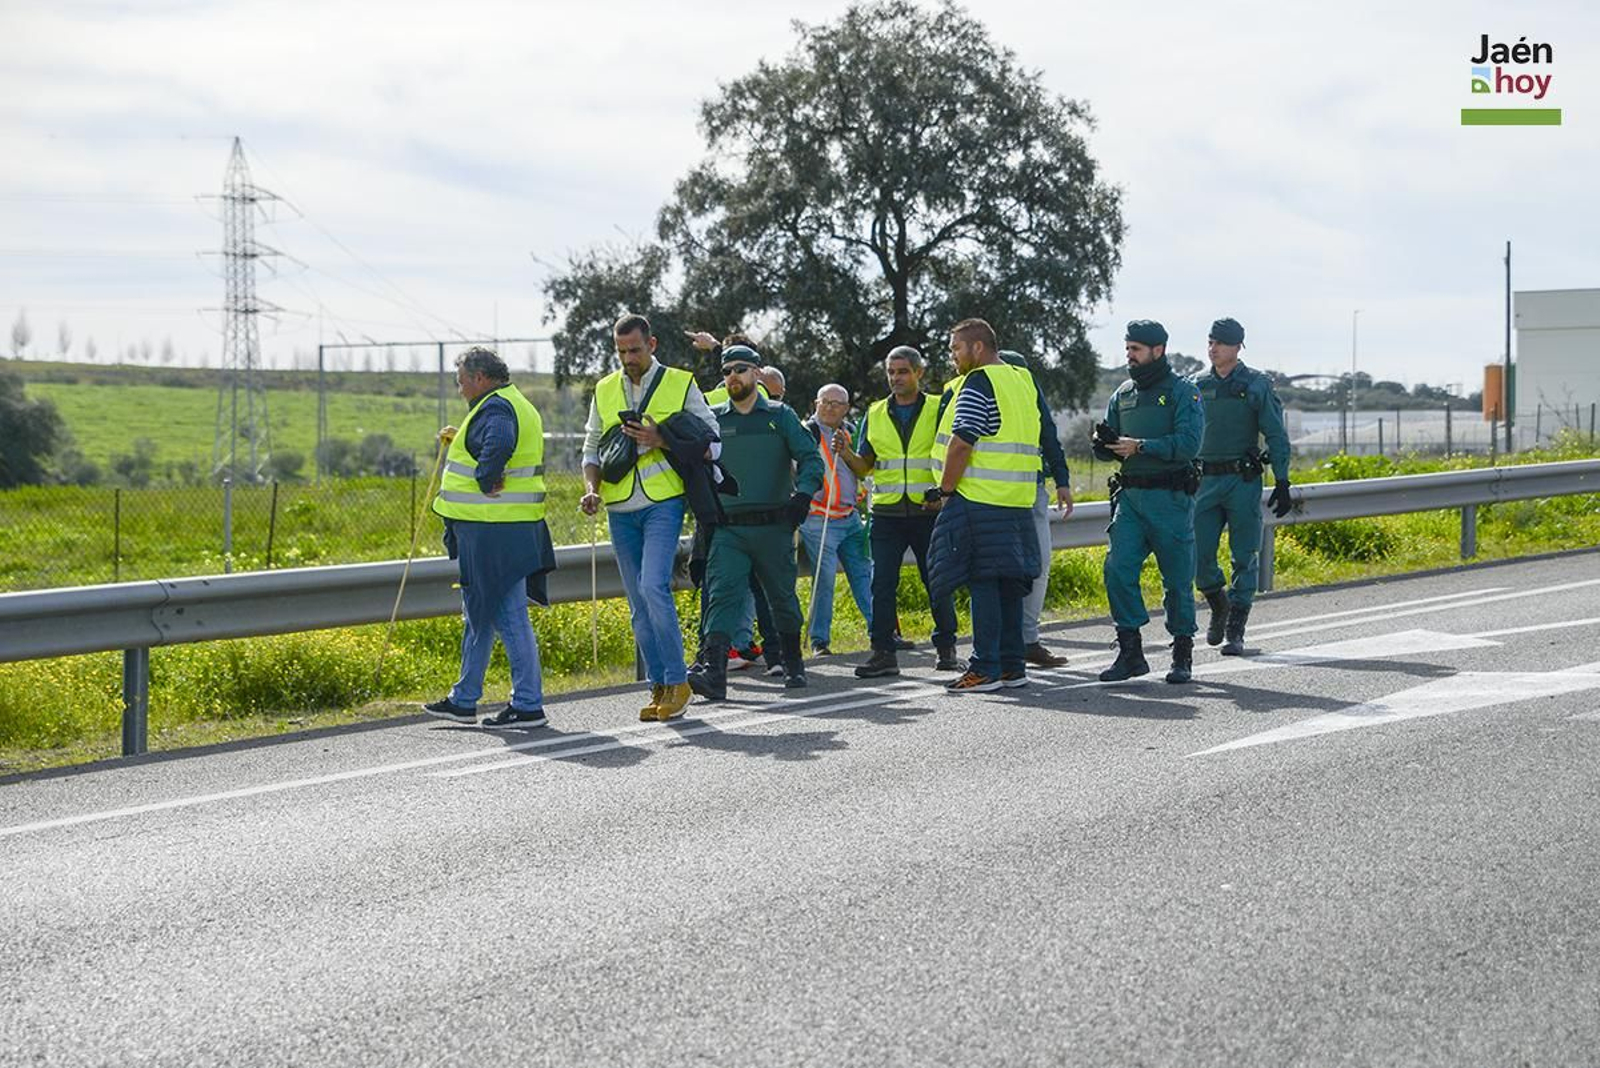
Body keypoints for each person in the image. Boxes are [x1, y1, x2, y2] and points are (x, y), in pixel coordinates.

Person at [580, 313, 718, 722]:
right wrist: (592, 489)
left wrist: (663, 438)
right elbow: (591, 446)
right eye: (621, 352)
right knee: (638, 601)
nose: (628, 358)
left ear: (652, 345)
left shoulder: (680, 382)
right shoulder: (604, 389)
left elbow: (713, 439)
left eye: (635, 350)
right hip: (620, 507)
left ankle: (679, 680)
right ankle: (657, 685)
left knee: (653, 586)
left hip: (664, 501)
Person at [422, 347, 555, 729]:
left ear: (480, 378)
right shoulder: (510, 402)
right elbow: (489, 441)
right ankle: (464, 699)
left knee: (508, 616)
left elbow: (498, 441)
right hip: (503, 528)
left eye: (461, 380)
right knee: (479, 614)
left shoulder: (496, 409)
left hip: (495, 529)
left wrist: (486, 474)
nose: (460, 387)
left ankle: (528, 705)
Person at [689, 346, 826, 701]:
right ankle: (715, 674)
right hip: (729, 528)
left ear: (757, 374)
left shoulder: (780, 416)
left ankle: (793, 663)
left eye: (741, 369)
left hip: (775, 526)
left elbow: (811, 460)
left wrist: (803, 495)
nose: (733, 376)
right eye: (727, 371)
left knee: (781, 598)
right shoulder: (714, 419)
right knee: (721, 596)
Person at [926, 319, 1043, 693]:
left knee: (983, 584)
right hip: (1016, 499)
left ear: (978, 348)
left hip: (979, 498)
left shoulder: (980, 381)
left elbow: (962, 441)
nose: (952, 357)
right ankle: (1012, 666)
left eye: (955, 349)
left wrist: (945, 490)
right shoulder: (1021, 381)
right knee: (1008, 584)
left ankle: (984, 668)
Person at [1093, 320, 1205, 684]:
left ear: (1158, 351)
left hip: (1170, 499)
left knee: (1176, 579)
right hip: (1130, 499)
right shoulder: (1122, 394)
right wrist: (1104, 446)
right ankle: (1130, 652)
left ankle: (1182, 651)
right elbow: (1112, 444)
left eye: (1136, 350)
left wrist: (1142, 446)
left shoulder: (1182, 393)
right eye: (1127, 349)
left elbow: (1189, 444)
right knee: (1117, 568)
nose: (1130, 356)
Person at [840, 346, 962, 677]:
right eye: (891, 372)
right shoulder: (875, 413)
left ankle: (947, 648)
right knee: (881, 584)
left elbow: (955, 453)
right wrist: (846, 453)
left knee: (936, 581)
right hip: (887, 514)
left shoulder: (939, 408)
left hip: (928, 511)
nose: (895, 378)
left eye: (903, 371)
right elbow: (865, 467)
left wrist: (943, 495)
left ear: (919, 373)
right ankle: (882, 652)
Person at [1191, 317, 1293, 656]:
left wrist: (1282, 480)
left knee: (1244, 555)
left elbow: (1275, 433)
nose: (1213, 348)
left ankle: (1236, 627)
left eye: (1220, 343)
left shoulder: (1256, 385)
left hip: (1242, 481)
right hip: (1203, 482)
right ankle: (1218, 601)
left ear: (1237, 347)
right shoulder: (1195, 385)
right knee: (1197, 554)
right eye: (1210, 342)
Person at [687, 329, 779, 671]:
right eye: (727, 367)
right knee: (756, 582)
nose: (731, 375)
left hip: (724, 505)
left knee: (722, 584)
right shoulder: (764, 397)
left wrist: (715, 352)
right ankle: (769, 652)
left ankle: (713, 654)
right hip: (739, 504)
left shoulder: (712, 398)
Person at [997, 350, 1076, 667]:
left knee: (1040, 563)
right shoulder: (981, 392)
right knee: (998, 570)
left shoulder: (1029, 389)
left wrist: (1062, 480)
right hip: (995, 494)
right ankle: (1000, 643)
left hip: (1032, 490)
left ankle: (1028, 640)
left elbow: (1049, 433)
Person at [799, 384, 874, 656]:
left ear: (846, 408)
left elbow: (864, 471)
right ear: (816, 403)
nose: (830, 407)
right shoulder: (805, 432)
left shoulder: (852, 432)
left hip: (850, 517)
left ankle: (881, 632)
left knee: (865, 575)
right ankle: (820, 640)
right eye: (825, 402)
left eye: (837, 403)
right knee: (825, 580)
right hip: (819, 518)